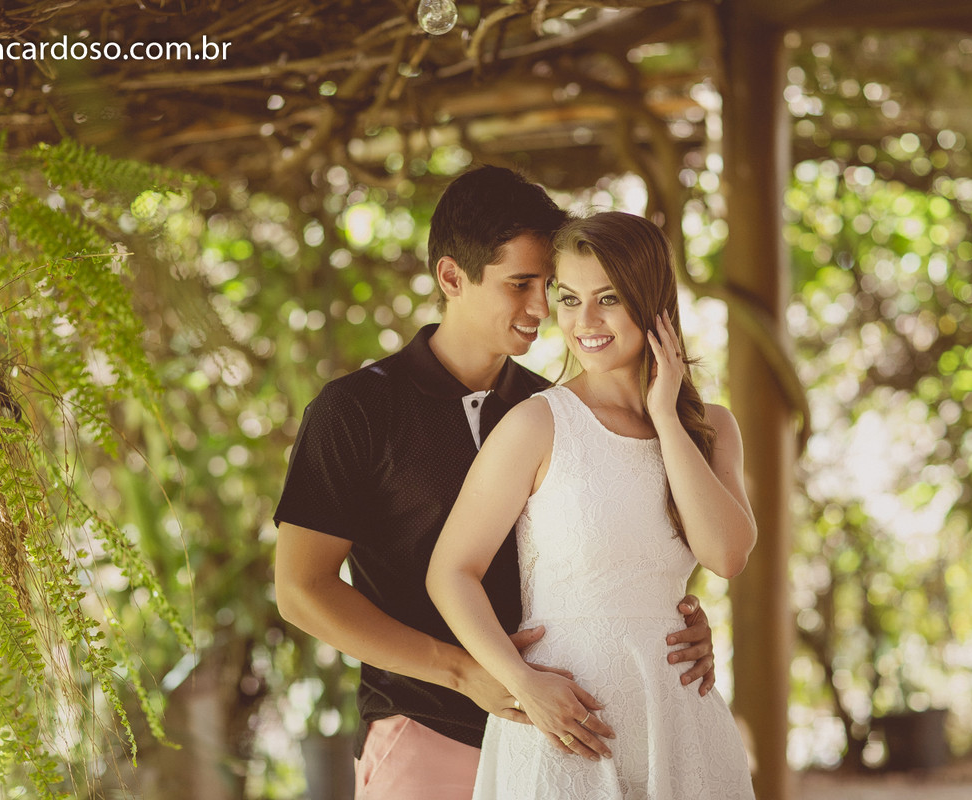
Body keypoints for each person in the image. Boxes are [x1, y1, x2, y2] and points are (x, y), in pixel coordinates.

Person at [274, 167, 719, 800]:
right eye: (520, 284)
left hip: (566, 744)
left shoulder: (558, 411)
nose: (542, 308)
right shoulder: (357, 409)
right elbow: (301, 590)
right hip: (428, 734)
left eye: (549, 286)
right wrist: (466, 672)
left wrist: (674, 624)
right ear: (452, 277)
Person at [427, 211, 757, 798]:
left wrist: (665, 417)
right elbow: (451, 571)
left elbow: (726, 555)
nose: (585, 321)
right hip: (564, 726)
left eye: (609, 298)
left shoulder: (712, 428)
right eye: (570, 299)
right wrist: (521, 682)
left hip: (679, 718)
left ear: (653, 302)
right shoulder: (536, 424)